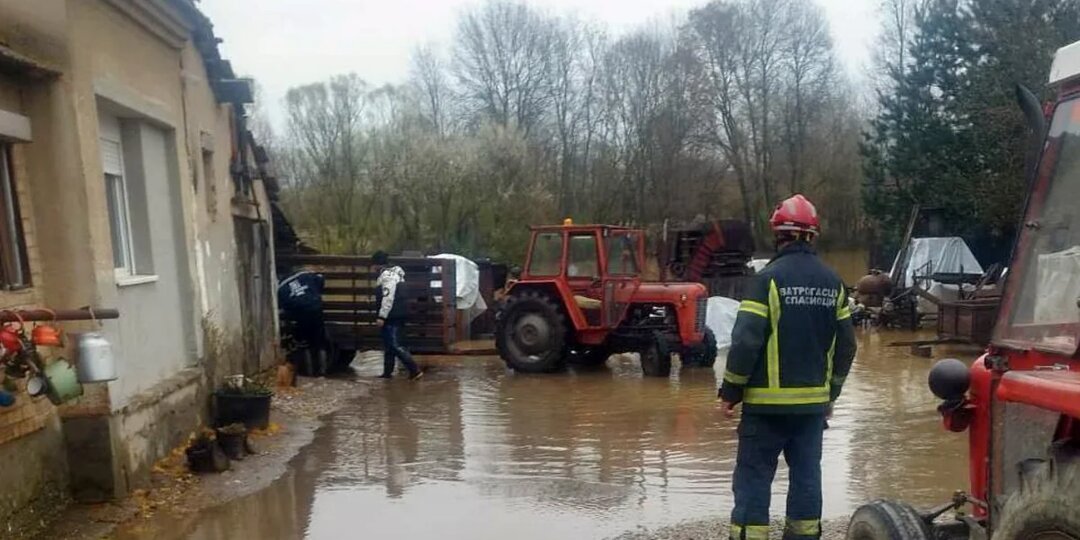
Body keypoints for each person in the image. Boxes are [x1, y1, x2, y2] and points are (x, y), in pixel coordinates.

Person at [719, 194, 857, 540]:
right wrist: (831, 393)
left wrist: (731, 391)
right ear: (812, 235)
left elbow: (746, 341)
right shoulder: (833, 282)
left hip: (765, 409)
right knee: (807, 478)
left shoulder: (766, 280)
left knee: (753, 479)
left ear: (778, 235)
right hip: (811, 410)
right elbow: (848, 346)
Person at [373, 250, 422, 380]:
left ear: (377, 264)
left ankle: (414, 370)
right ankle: (387, 373)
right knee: (389, 345)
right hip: (399, 313)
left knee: (394, 344)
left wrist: (382, 316)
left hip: (392, 315)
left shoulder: (387, 276)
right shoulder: (396, 274)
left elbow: (388, 297)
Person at [277, 265, 329, 373]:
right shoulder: (305, 275)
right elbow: (320, 279)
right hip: (315, 309)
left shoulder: (281, 287)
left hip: (300, 314)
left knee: (304, 344)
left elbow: (283, 306)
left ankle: (310, 372)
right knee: (321, 342)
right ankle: (322, 371)